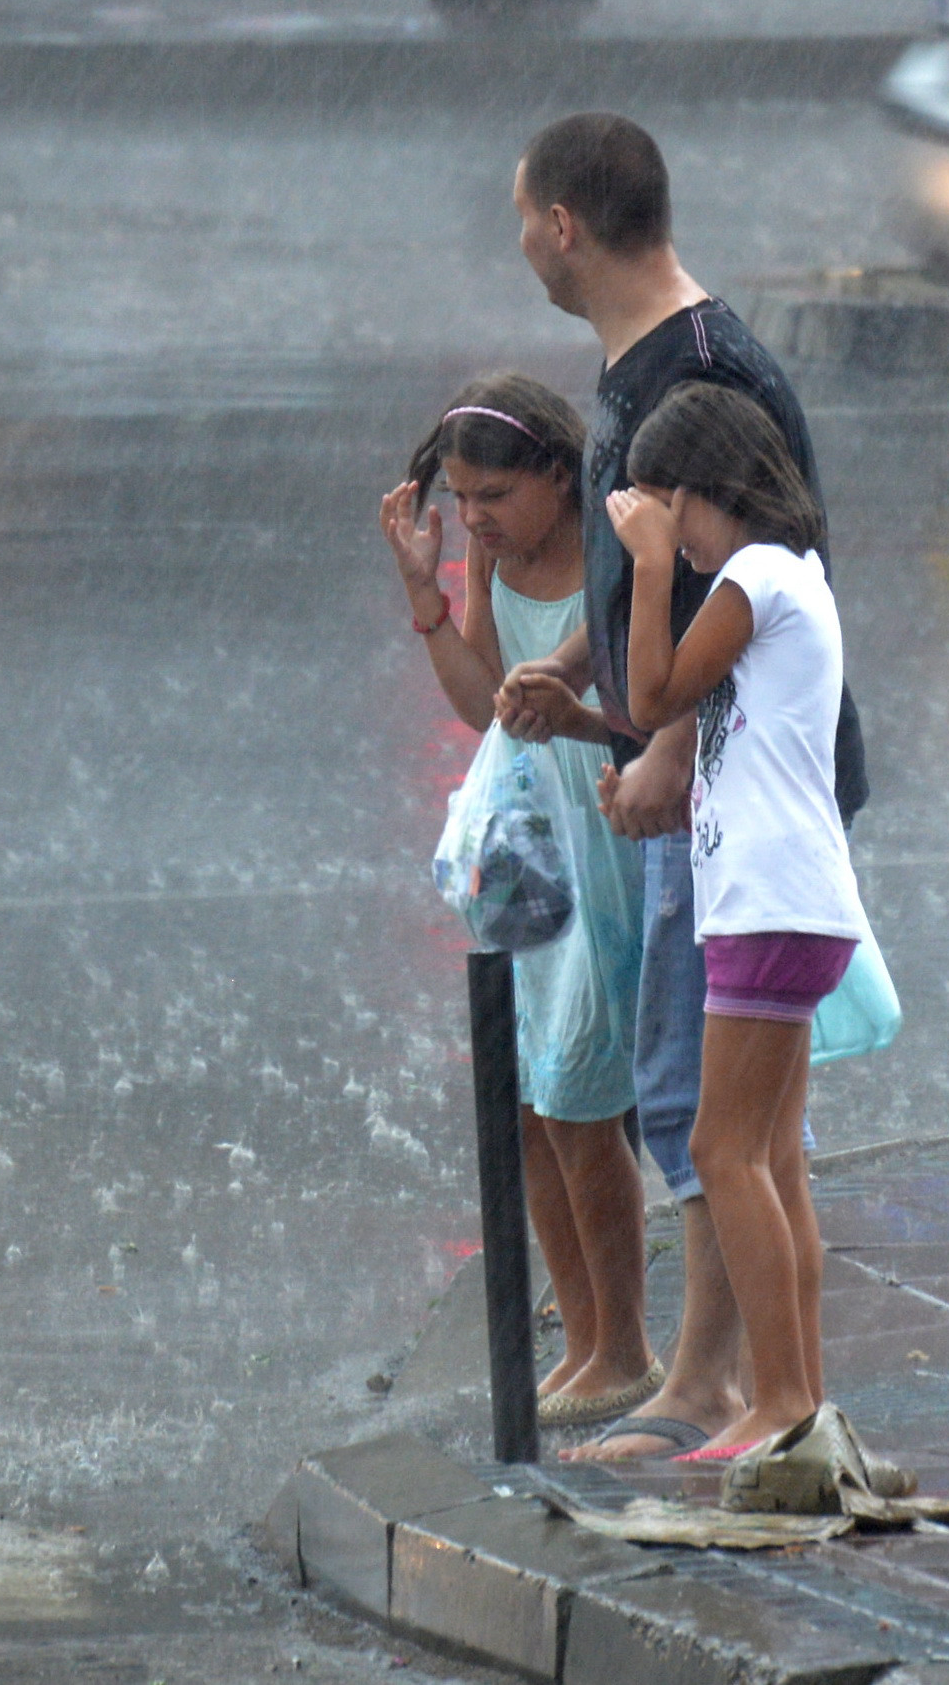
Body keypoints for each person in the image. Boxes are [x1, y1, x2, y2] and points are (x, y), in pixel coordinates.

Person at [491, 111, 868, 1462]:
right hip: (710, 783)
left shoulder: (704, 370)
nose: (520, 242)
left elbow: (730, 571)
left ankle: (725, 1386)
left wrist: (656, 739)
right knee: (739, 1122)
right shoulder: (643, 363)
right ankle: (758, 1386)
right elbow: (647, 571)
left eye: (522, 217)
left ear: (564, 226)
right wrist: (571, 666)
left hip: (729, 797)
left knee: (705, 1111)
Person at [379, 374, 660, 1427]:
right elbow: (486, 704)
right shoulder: (491, 552)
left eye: (492, 494)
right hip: (528, 849)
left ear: (557, 471)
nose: (475, 517)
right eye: (457, 499)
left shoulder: (613, 545)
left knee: (587, 1099)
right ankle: (582, 1338)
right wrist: (428, 598)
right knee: (535, 1103)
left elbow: (624, 695)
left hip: (607, 829)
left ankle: (623, 1346)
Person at [601, 381, 867, 1459]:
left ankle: (783, 1402)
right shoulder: (786, 579)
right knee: (771, 1158)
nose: (668, 534)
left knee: (722, 1147)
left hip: (770, 899)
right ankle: (790, 1393)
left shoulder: (755, 572)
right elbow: (676, 716)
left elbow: (655, 689)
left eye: (666, 508)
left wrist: (653, 563)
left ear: (703, 489)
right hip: (784, 897)